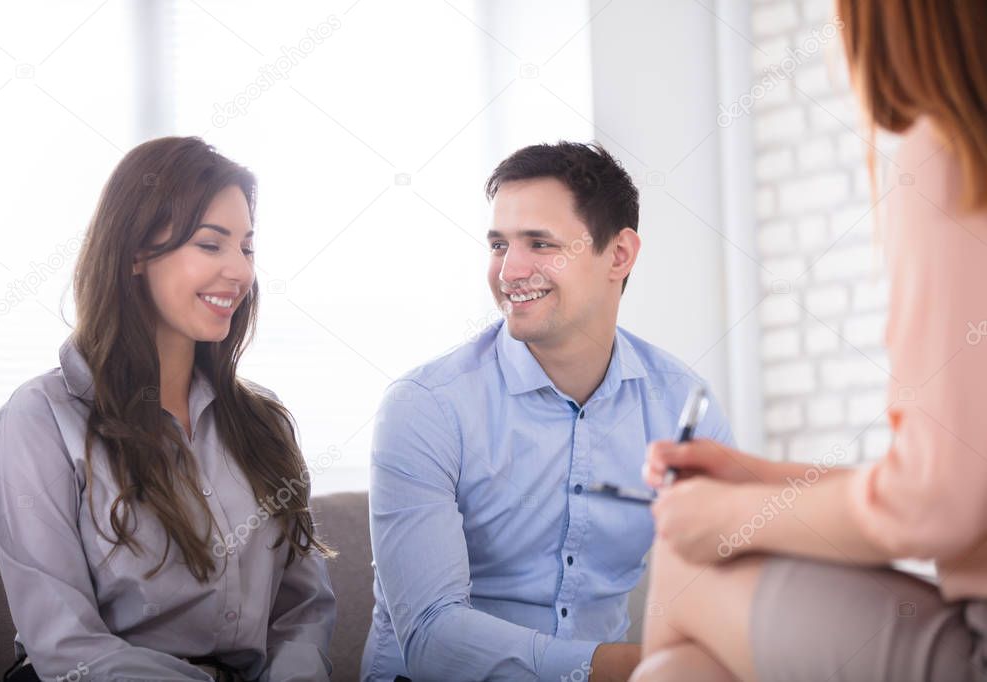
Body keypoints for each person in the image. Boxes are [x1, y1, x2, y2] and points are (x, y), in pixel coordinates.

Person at [633, 1, 987, 680]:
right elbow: (958, 481)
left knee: (682, 565)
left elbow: (936, 503)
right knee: (674, 672)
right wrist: (763, 481)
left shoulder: (952, 150)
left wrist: (732, 515)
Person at [362, 141, 735, 681]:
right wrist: (623, 668)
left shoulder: (680, 403)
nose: (510, 271)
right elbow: (431, 637)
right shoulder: (426, 406)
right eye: (498, 245)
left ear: (620, 255)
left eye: (539, 243)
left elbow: (724, 576)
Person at [0, 137, 336, 681]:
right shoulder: (41, 419)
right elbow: (65, 645)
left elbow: (302, 612)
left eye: (247, 247)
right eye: (211, 245)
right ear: (136, 255)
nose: (240, 272)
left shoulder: (263, 423)